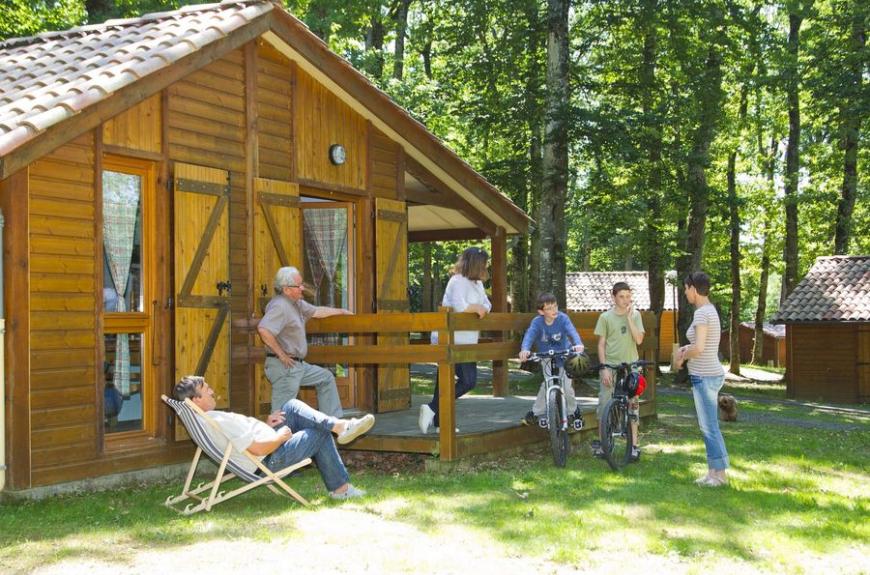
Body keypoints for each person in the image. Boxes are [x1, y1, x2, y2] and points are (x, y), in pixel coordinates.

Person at [174, 375, 374, 499]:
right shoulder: (217, 421)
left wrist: (266, 426)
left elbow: (243, 440)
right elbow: (257, 450)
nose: (211, 390)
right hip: (267, 461)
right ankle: (341, 489)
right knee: (319, 434)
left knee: (291, 407)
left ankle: (341, 426)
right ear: (196, 400)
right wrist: (279, 437)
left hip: (267, 450)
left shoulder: (207, 419)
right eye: (206, 388)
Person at [258, 266, 352, 417]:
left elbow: (317, 311)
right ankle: (277, 438)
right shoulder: (280, 306)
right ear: (286, 289)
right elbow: (264, 330)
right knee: (281, 414)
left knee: (326, 378)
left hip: (297, 365)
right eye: (298, 285)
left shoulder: (297, 304)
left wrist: (341, 311)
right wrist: (282, 355)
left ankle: (334, 425)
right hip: (285, 367)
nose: (302, 288)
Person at [419, 246, 491, 434]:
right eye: (484, 264)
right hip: (450, 338)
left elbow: (487, 305)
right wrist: (476, 307)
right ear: (476, 264)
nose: (486, 267)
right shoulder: (456, 281)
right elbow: (460, 307)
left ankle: (436, 416)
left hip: (468, 339)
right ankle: (435, 411)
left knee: (460, 381)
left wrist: (478, 307)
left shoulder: (478, 284)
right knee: (467, 380)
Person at [674, 271, 729, 487]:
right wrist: (687, 350)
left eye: (686, 289)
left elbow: (699, 348)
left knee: (710, 427)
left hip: (705, 376)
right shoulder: (709, 310)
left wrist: (681, 357)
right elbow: (701, 345)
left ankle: (720, 476)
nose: (685, 292)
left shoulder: (701, 314)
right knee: (707, 426)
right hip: (707, 374)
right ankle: (712, 473)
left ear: (694, 289)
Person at [592, 281, 645, 461]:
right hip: (611, 366)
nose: (625, 300)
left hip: (631, 366)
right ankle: (603, 443)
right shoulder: (605, 317)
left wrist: (629, 318)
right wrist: (604, 368)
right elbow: (601, 344)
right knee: (605, 403)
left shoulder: (636, 315)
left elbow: (639, 340)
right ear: (613, 296)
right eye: (621, 296)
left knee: (633, 405)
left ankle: (634, 446)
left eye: (628, 296)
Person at [518, 293, 585, 428]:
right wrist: (525, 349)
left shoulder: (563, 318)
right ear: (541, 312)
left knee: (566, 387)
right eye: (549, 308)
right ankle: (536, 413)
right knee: (547, 384)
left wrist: (578, 344)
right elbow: (530, 335)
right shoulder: (537, 322)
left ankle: (573, 411)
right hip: (547, 356)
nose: (554, 310)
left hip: (564, 356)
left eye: (555, 306)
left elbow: (572, 332)